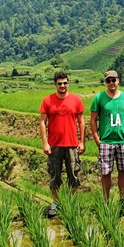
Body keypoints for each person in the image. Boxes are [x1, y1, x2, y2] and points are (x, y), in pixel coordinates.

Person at [39, 72, 86, 218]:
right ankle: (56, 203)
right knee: (55, 175)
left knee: (73, 174)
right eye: (59, 83)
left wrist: (82, 141)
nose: (62, 86)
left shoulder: (76, 100)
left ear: (68, 83)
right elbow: (42, 122)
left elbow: (81, 122)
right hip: (54, 145)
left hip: (72, 144)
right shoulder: (48, 101)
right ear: (55, 85)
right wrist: (45, 143)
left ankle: (72, 203)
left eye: (65, 83)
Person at [90, 70, 124, 201]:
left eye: (113, 80)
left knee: (123, 171)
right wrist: (96, 138)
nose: (111, 83)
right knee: (106, 173)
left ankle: (123, 199)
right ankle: (106, 200)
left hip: (123, 140)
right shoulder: (99, 98)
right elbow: (93, 119)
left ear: (118, 80)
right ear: (105, 82)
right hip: (106, 141)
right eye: (108, 81)